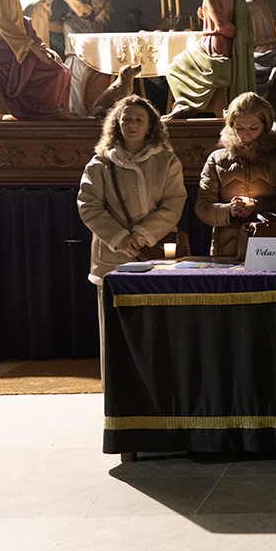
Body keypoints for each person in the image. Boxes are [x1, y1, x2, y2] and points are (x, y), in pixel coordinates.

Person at [77, 95, 186, 388]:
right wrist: (119, 238)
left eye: (139, 119)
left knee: (154, 323)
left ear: (151, 126)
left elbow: (174, 202)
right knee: (113, 326)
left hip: (155, 254)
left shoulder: (166, 160)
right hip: (112, 258)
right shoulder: (100, 162)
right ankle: (116, 388)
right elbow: (88, 205)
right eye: (126, 119)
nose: (132, 124)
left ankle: (157, 385)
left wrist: (140, 235)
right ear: (116, 124)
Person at [195, 91, 276, 258]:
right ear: (231, 126)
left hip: (271, 248)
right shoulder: (218, 159)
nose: (246, 134)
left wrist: (257, 207)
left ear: (265, 126)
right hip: (228, 248)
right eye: (239, 128)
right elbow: (203, 207)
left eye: (253, 128)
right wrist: (229, 210)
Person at [165, 0, 255, 118]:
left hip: (215, 48)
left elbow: (222, 25)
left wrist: (233, 33)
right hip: (229, 48)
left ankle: (186, 104)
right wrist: (241, 39)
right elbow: (231, 19)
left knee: (174, 68)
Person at [0, 0, 74, 120]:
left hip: (16, 42)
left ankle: (51, 111)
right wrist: (29, 46)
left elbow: (21, 23)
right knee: (54, 71)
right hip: (3, 44)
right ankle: (44, 113)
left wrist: (40, 44)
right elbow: (4, 24)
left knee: (61, 67)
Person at [64, 0, 114, 116]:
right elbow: (80, 47)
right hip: (77, 60)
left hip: (94, 60)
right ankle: (80, 112)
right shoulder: (71, 23)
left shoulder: (96, 25)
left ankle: (97, 110)